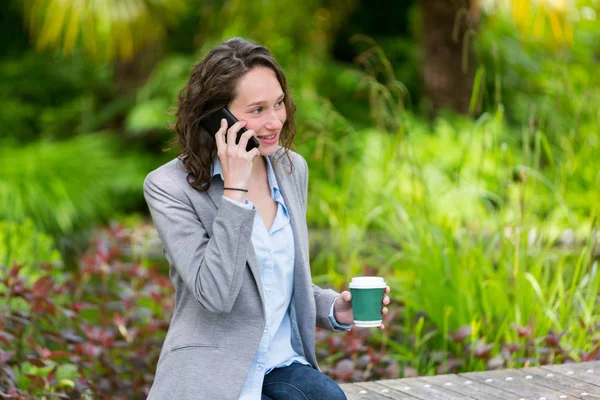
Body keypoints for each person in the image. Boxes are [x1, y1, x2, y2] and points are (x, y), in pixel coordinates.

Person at [143, 37, 391, 400]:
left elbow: (276, 278)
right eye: (256, 110)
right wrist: (235, 191)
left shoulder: (291, 168)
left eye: (278, 104)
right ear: (216, 117)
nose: (274, 121)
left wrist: (333, 308)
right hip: (214, 375)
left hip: (278, 367)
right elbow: (215, 295)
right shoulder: (168, 187)